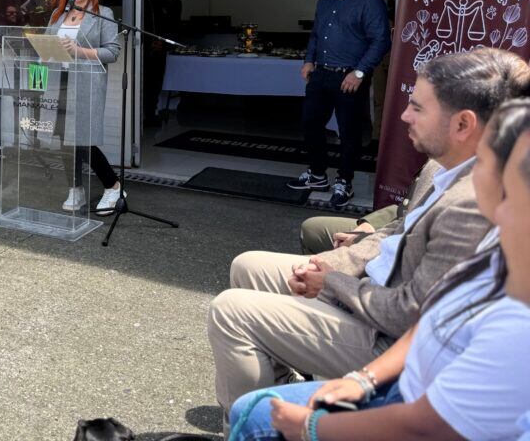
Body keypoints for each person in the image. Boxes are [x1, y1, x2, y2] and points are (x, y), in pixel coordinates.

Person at [208, 48, 529, 421]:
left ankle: (253, 423)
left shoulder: (472, 203)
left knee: (230, 312)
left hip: (386, 340)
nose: (404, 115)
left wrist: (333, 282)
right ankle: (279, 396)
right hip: (372, 293)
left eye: (418, 108)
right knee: (247, 266)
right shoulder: (442, 164)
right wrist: (332, 265)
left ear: (463, 124)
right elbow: (398, 231)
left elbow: (411, 317)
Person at [289, 0, 391, 207]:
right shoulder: (325, 0)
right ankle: (317, 174)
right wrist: (308, 60)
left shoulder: (370, 1)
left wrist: (359, 72)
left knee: (349, 133)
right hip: (320, 74)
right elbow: (316, 34)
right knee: (310, 124)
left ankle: (344, 182)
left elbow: (381, 41)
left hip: (350, 78)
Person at [45, 0, 122, 214]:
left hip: (86, 84)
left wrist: (79, 51)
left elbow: (112, 53)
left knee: (84, 140)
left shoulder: (103, 14)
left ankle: (113, 185)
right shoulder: (57, 16)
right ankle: (75, 189)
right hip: (59, 83)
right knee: (64, 141)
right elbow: (46, 44)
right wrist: (44, 50)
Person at [142, 0, 164, 127]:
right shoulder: (138, 1)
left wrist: (160, 42)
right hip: (144, 48)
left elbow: (162, 23)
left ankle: (151, 114)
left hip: (158, 47)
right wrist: (149, 42)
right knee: (146, 83)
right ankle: (144, 115)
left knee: (155, 83)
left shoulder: (156, 0)